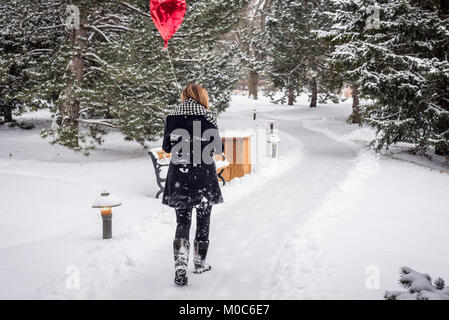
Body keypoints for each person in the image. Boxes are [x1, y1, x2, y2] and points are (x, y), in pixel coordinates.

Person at [162, 83, 224, 286]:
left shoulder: (172, 117)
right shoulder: (208, 116)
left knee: (182, 222)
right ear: (201, 96)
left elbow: (167, 147)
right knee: (203, 220)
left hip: (180, 175)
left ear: (184, 96)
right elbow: (217, 148)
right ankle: (199, 262)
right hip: (203, 175)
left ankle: (180, 264)